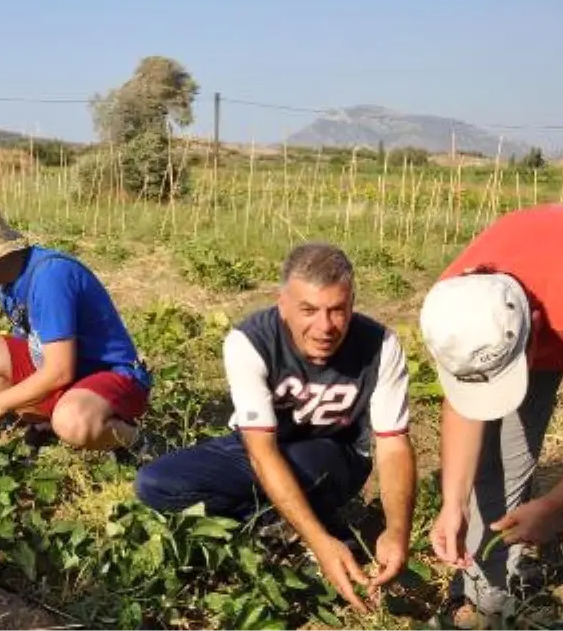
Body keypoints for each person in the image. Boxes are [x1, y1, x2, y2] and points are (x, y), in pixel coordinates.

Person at [134, 242, 416, 614]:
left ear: (352, 304)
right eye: (309, 310)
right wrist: (318, 540)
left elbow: (393, 445)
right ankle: (295, 528)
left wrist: (397, 530)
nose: (325, 326)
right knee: (155, 484)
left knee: (311, 466)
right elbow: (261, 450)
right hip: (259, 447)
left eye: (337, 310)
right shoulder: (250, 341)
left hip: (333, 454)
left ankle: (287, 526)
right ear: (282, 304)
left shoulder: (381, 345)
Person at [419, 204, 563, 626]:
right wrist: (453, 503)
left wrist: (556, 505)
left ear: (534, 328)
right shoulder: (456, 306)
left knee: (526, 463)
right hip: (538, 298)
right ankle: (486, 587)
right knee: (493, 461)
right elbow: (464, 406)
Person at [0, 209, 154, 453]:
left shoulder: (50, 278)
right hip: (68, 371)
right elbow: (33, 344)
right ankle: (46, 425)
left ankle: (136, 441)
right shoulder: (8, 281)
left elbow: (60, 372)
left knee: (74, 422)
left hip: (111, 374)